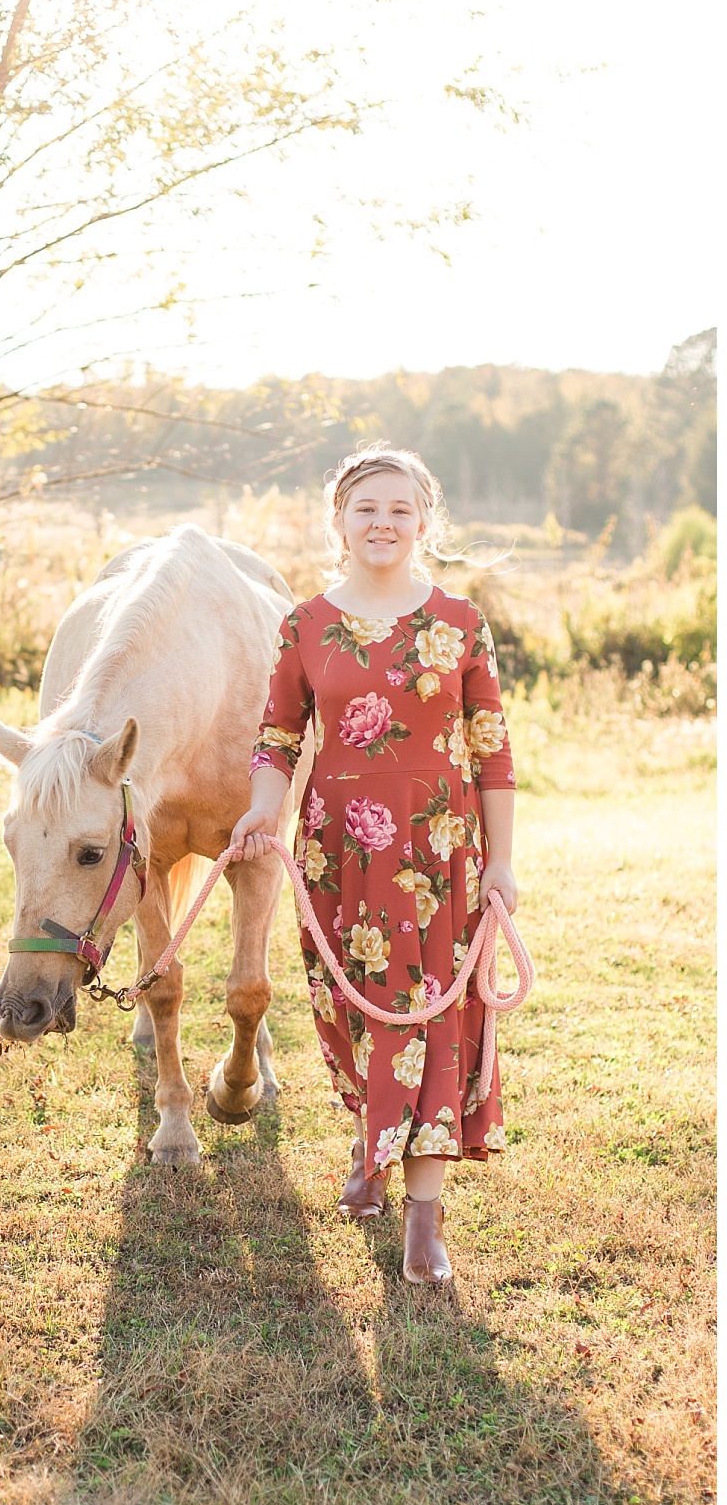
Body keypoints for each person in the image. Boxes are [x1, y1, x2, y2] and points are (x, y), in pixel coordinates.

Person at [229, 443, 517, 1285]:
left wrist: (502, 861)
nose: (383, 523)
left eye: (400, 509)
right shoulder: (306, 622)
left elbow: (492, 752)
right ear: (339, 521)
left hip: (440, 859)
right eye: (366, 509)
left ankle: (422, 1218)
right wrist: (260, 806)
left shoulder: (461, 622)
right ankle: (369, 1142)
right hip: (338, 855)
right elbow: (278, 736)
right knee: (355, 1013)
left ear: (426, 520)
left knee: (429, 1020)